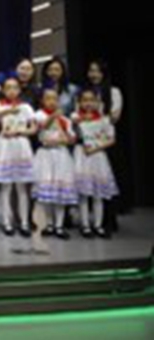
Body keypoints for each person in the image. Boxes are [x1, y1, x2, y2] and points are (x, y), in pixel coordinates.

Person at [0, 75, 37, 237]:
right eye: (8, 87)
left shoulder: (26, 107)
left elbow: (33, 128)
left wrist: (21, 131)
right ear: (3, 90)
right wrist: (9, 110)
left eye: (15, 87)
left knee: (22, 187)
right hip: (5, 145)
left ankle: (24, 222)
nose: (11, 91)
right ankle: (6, 222)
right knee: (6, 186)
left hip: (21, 145)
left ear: (20, 89)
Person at [72, 88, 119, 239]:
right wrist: (77, 124)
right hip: (82, 155)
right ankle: (85, 225)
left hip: (98, 156)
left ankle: (98, 225)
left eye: (91, 100)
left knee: (98, 194)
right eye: (84, 100)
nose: (88, 103)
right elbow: (73, 136)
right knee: (83, 193)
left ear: (98, 102)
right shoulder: (75, 119)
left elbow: (111, 139)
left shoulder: (104, 120)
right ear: (79, 102)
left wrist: (96, 148)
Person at [32, 88, 78, 240]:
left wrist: (66, 138)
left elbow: (71, 138)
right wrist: (53, 117)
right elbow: (42, 129)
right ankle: (48, 224)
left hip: (61, 156)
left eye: (54, 99)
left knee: (60, 191)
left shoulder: (65, 120)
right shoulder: (39, 115)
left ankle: (59, 225)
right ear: (42, 101)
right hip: (45, 156)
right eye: (48, 98)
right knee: (46, 191)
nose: (52, 102)